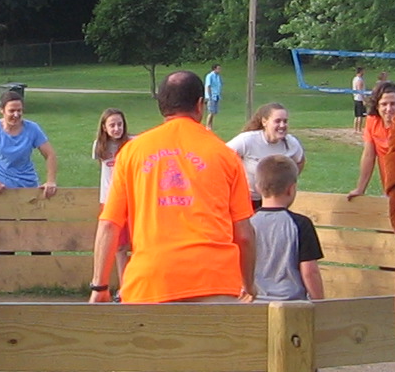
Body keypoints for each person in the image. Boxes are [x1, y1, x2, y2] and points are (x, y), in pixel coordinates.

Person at [89, 70, 254, 306]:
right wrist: (248, 283)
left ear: (161, 105)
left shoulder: (132, 153)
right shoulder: (225, 155)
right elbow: (245, 234)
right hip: (214, 280)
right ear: (200, 105)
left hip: (150, 282)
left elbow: (109, 224)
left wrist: (100, 286)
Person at [250, 154, 324, 302]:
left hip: (254, 304)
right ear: (291, 189)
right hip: (291, 305)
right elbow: (310, 271)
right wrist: (320, 302)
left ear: (258, 188)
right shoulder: (301, 224)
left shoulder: (248, 224)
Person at [0, 91, 57, 197]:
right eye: (11, 111)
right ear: (2, 110)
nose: (16, 115)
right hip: (2, 189)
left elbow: (50, 155)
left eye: (19, 110)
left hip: (29, 187)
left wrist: (50, 181)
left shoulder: (32, 129)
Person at [227, 103, 304, 209]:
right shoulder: (247, 140)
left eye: (285, 121)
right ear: (264, 122)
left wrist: (289, 179)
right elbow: (222, 157)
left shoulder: (291, 143)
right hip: (246, 199)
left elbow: (300, 160)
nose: (282, 125)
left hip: (274, 200)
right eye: (277, 121)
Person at [345, 80, 395, 200]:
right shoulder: (373, 121)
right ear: (377, 106)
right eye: (384, 104)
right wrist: (360, 188)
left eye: (393, 104)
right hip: (388, 187)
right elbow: (368, 156)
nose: (388, 109)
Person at [91, 108, 130, 205]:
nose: (117, 129)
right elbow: (102, 166)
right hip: (107, 197)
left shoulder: (131, 143)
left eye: (120, 124)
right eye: (112, 125)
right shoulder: (99, 145)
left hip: (127, 196)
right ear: (104, 127)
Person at [204, 64, 223, 132]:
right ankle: (207, 126)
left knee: (214, 112)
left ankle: (210, 126)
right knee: (211, 112)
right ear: (214, 69)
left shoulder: (218, 76)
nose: (219, 70)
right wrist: (209, 96)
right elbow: (208, 86)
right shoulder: (210, 76)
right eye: (218, 69)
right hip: (211, 96)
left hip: (216, 96)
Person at [351, 67, 369, 134]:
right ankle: (358, 129)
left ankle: (355, 129)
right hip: (359, 99)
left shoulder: (355, 79)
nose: (364, 72)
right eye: (363, 71)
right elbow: (359, 90)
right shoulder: (359, 80)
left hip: (356, 98)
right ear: (360, 71)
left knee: (357, 115)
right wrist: (364, 100)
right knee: (360, 115)